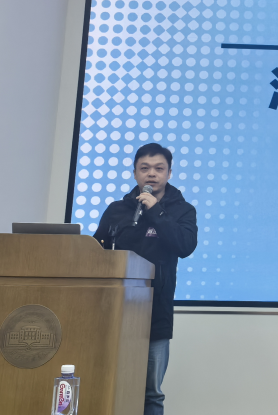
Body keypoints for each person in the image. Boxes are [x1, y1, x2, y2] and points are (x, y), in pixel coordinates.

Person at [93, 143, 197, 415]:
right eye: (145, 168)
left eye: (159, 168)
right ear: (135, 173)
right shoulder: (117, 210)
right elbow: (96, 253)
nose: (152, 174)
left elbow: (185, 246)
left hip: (155, 314)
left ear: (169, 173)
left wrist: (156, 212)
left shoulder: (183, 211)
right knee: (106, 382)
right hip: (113, 312)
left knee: (151, 393)